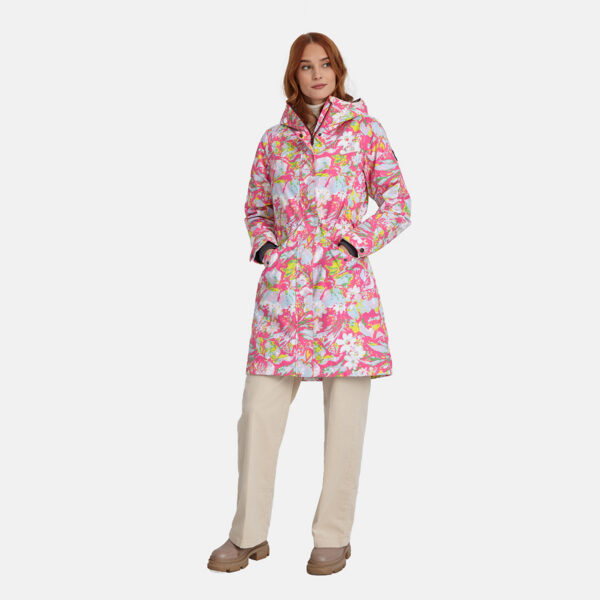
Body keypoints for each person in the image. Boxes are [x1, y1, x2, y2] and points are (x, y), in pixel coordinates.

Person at [207, 32, 412, 575]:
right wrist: (268, 249)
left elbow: (398, 203)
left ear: (337, 71)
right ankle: (248, 534)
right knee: (258, 413)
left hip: (346, 299)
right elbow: (256, 209)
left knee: (345, 421)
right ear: (293, 75)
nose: (317, 74)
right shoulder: (273, 142)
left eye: (325, 65)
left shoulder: (366, 132)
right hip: (286, 297)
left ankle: (333, 536)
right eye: (306, 66)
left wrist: (354, 243)